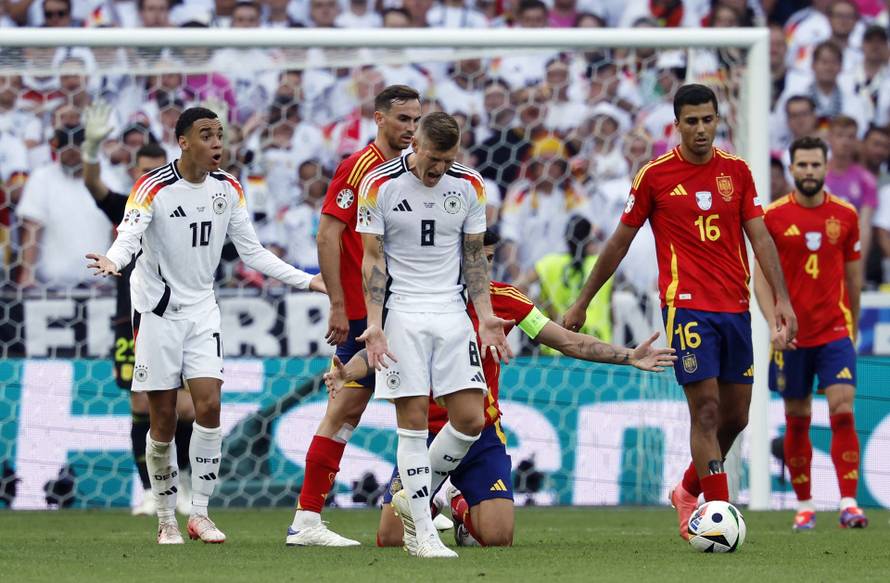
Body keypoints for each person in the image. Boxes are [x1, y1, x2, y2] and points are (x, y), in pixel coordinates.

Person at [323, 229, 675, 548]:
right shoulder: (415, 302)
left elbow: (567, 341)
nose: (484, 266)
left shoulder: (505, 300)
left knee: (498, 537)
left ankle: (459, 504)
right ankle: (431, 496)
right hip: (425, 435)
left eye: (489, 259)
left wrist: (628, 356)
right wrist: (345, 373)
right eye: (477, 258)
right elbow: (378, 351)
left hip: (481, 436)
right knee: (390, 539)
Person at [562, 84, 798, 541]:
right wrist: (583, 300)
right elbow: (619, 241)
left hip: (734, 307)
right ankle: (720, 513)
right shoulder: (654, 176)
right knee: (706, 412)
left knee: (737, 418)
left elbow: (761, 238)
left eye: (707, 119)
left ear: (716, 120)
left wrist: (782, 300)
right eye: (691, 121)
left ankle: (687, 490)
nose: (701, 129)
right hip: (687, 307)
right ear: (677, 124)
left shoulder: (738, 172)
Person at [85, 107, 324, 545]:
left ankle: (200, 513)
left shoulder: (229, 189)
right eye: (207, 135)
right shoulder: (151, 187)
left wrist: (307, 280)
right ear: (183, 142)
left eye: (220, 134)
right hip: (156, 315)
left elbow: (252, 253)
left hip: (202, 311)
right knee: (161, 417)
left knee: (209, 406)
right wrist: (112, 261)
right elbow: (129, 236)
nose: (217, 143)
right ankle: (165, 519)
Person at [356, 111, 511, 558]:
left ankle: (417, 494)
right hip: (403, 311)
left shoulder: (470, 185)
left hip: (451, 312)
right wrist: (375, 323)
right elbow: (373, 260)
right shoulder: (379, 184)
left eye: (447, 160)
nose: (438, 169)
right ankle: (421, 533)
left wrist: (483, 317)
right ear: (415, 144)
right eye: (432, 159)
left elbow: (474, 258)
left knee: (469, 418)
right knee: (414, 421)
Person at [286, 85, 421, 547]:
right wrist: (339, 306)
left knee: (423, 404)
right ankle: (306, 520)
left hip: (402, 306)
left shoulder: (410, 169)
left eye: (415, 120)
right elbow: (327, 235)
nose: (410, 128)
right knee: (346, 408)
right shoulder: (359, 167)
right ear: (379, 119)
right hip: (365, 312)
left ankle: (422, 501)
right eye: (402, 119)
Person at [81, 102, 197, 517]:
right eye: (141, 170)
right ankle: (151, 490)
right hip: (128, 318)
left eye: (154, 169)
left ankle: (180, 481)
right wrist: (92, 149)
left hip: (177, 314)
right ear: (134, 172)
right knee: (140, 405)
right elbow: (93, 184)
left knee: (183, 405)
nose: (148, 177)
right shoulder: (127, 206)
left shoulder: (178, 202)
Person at [754, 136, 868, 531]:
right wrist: (774, 324)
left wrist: (850, 323)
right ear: (791, 168)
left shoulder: (846, 215)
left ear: (825, 166)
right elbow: (761, 280)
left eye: (815, 165)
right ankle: (804, 505)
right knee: (797, 417)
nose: (808, 172)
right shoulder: (772, 217)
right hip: (792, 336)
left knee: (842, 410)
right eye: (801, 165)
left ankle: (849, 503)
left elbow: (854, 277)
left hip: (834, 331)